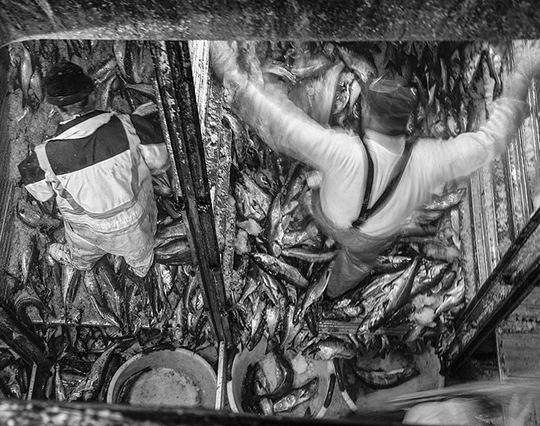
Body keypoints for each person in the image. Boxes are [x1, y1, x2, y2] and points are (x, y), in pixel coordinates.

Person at [210, 41, 540, 303]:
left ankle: (315, 238)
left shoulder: (343, 151)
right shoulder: (428, 160)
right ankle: (333, 293)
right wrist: (522, 74)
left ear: (366, 111)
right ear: (406, 121)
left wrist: (233, 75)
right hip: (371, 241)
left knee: (314, 194)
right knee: (354, 266)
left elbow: (280, 124)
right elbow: (492, 141)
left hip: (326, 214)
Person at [18, 61, 170, 283]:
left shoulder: (43, 157)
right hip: (134, 225)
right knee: (140, 251)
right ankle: (140, 269)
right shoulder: (130, 127)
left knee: (82, 253)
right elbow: (161, 162)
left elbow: (42, 194)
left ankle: (81, 264)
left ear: (56, 108)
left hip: (87, 230)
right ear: (91, 96)